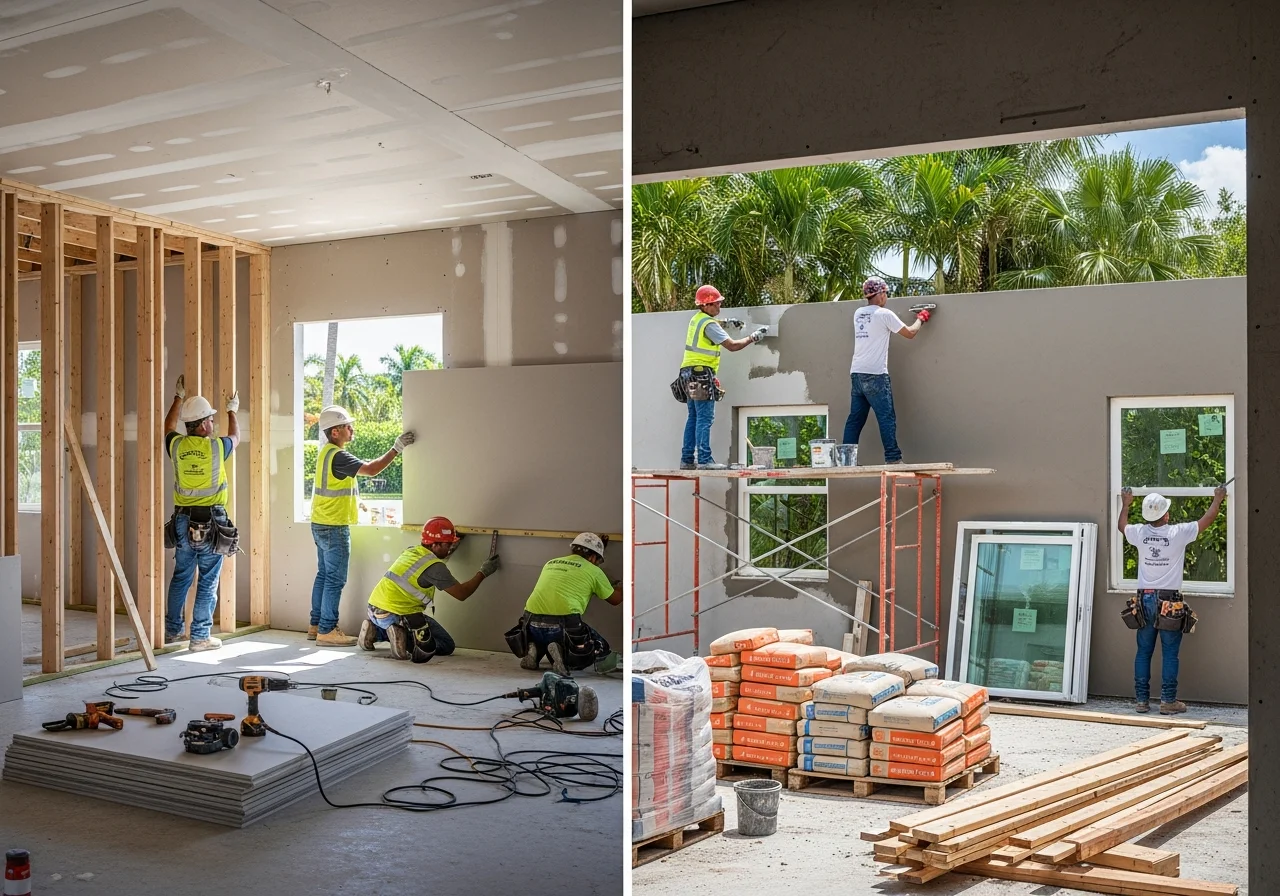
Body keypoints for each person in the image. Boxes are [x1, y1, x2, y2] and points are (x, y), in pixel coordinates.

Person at [310, 405, 416, 646]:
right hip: (334, 527)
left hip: (321, 523)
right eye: (347, 426)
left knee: (324, 576)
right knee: (335, 579)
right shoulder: (338, 455)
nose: (352, 429)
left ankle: (316, 625)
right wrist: (396, 448)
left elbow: (338, 487)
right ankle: (327, 630)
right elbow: (371, 469)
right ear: (335, 432)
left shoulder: (326, 453)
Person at [1119, 485, 1227, 714]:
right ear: (1165, 514)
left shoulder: (1140, 533)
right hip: (1169, 602)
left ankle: (1141, 701)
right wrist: (1218, 499)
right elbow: (1206, 520)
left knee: (1143, 651)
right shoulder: (1177, 533)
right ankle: (1168, 702)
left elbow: (1122, 526)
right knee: (1169, 653)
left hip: (1145, 599)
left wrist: (1125, 504)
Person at [358, 516, 501, 662]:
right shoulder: (435, 568)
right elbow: (462, 593)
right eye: (448, 545)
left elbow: (431, 564)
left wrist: (450, 543)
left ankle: (377, 632)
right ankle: (399, 637)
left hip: (375, 611)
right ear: (435, 545)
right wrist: (483, 572)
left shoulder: (412, 552)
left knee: (428, 632)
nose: (450, 547)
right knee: (446, 645)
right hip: (399, 613)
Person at [162, 375, 237, 651]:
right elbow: (236, 436)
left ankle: (172, 632)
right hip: (212, 523)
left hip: (182, 520)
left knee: (181, 576)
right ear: (204, 423)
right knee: (208, 579)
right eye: (211, 420)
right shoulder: (217, 447)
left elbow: (168, 427)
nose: (213, 424)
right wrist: (232, 410)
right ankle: (200, 637)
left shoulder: (177, 446)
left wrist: (178, 398)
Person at [678, 285, 769, 470]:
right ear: (706, 305)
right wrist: (753, 337)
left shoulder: (697, 319)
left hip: (687, 373)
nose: (719, 308)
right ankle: (704, 460)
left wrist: (727, 322)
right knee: (705, 417)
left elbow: (711, 326)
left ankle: (687, 459)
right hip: (701, 373)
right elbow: (733, 346)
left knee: (693, 417)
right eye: (716, 304)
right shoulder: (709, 324)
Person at [504, 533, 622, 675]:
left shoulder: (551, 563)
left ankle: (534, 649)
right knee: (600, 647)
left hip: (530, 626)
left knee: (545, 635)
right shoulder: (595, 572)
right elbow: (616, 600)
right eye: (598, 561)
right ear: (592, 557)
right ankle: (564, 659)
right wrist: (622, 585)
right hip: (562, 628)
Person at [841, 277, 929, 464]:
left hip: (857, 374)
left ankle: (846, 460)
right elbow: (910, 333)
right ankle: (893, 458)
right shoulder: (884, 314)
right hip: (876, 375)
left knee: (855, 419)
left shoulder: (858, 313)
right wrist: (921, 318)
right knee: (886, 417)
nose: (886, 297)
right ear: (880, 294)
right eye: (886, 293)